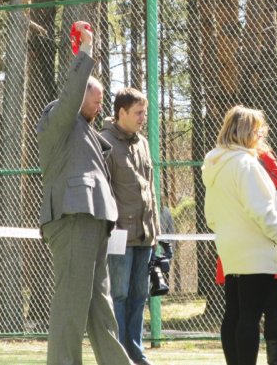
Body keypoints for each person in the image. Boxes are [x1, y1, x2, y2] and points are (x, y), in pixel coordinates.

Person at [36, 21, 132, 365]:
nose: (102, 102)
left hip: (94, 219)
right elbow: (70, 97)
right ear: (81, 93)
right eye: (98, 95)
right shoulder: (58, 117)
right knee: (71, 303)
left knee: (100, 306)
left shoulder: (90, 131)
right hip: (74, 216)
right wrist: (86, 52)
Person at [203, 106, 277, 365]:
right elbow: (264, 211)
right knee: (250, 316)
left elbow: (211, 215)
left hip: (230, 248)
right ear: (247, 132)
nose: (262, 134)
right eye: (259, 130)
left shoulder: (216, 165)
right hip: (256, 249)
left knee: (233, 313)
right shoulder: (246, 164)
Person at [102, 88, 160, 365]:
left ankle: (135, 353)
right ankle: (119, 356)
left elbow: (150, 189)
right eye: (137, 112)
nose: (142, 118)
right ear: (121, 112)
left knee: (139, 296)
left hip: (145, 236)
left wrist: (156, 229)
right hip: (118, 237)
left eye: (143, 112)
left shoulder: (143, 143)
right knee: (119, 295)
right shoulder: (103, 142)